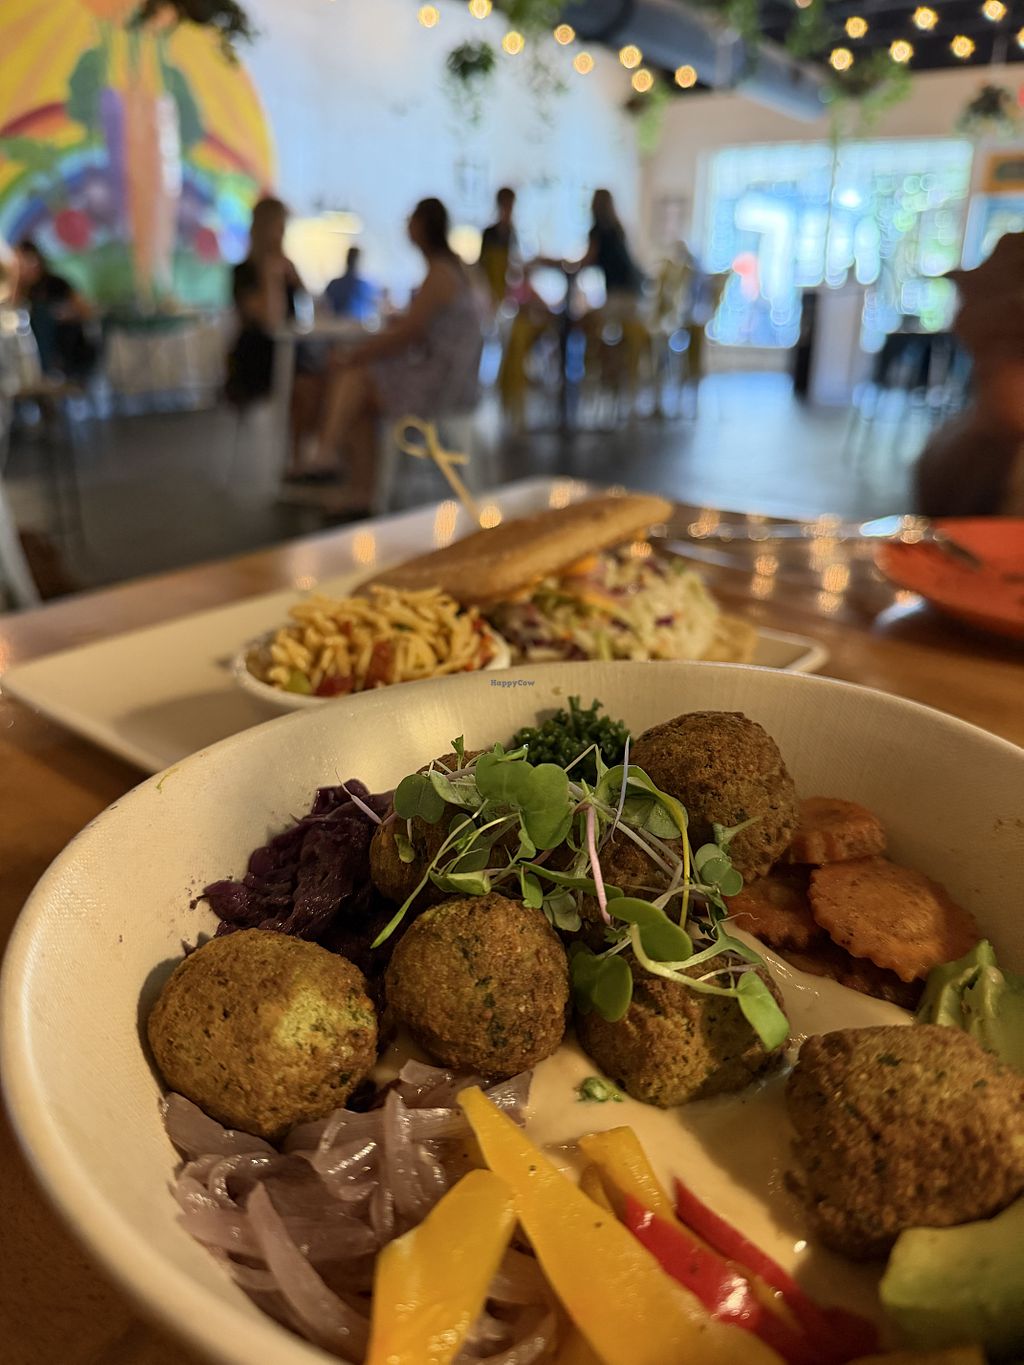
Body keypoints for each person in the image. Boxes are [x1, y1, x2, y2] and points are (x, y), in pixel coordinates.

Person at [309, 197, 483, 513]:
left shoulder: (440, 273)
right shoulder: (454, 269)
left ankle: (330, 454)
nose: (406, 228)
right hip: (453, 381)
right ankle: (355, 482)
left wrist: (355, 355)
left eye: (411, 221)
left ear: (423, 226)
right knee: (359, 387)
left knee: (355, 375)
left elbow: (408, 335)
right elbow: (420, 326)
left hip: (439, 387)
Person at [12, 240, 98, 381]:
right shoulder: (20, 289)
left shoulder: (56, 284)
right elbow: (12, 312)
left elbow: (88, 311)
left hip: (66, 353)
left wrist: (66, 313)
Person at [478, 187, 519, 309]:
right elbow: (482, 265)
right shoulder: (489, 234)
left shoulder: (513, 234)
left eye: (510, 205)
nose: (508, 209)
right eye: (505, 204)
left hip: (507, 290)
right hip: (489, 289)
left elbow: (516, 266)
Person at [323, 246, 377, 322]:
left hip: (337, 325)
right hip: (357, 326)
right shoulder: (364, 286)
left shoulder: (334, 283)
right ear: (359, 262)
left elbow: (324, 306)